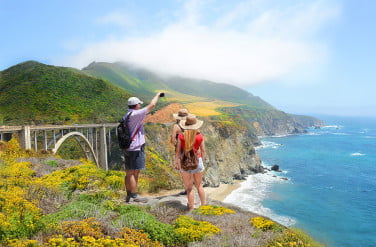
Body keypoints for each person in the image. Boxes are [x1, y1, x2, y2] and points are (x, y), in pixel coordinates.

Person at [124, 92, 163, 203]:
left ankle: (129, 194)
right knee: (134, 172)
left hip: (127, 147)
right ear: (136, 106)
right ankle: (134, 196)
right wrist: (157, 95)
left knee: (128, 172)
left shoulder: (127, 115)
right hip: (135, 148)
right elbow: (152, 105)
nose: (140, 106)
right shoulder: (136, 114)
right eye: (139, 105)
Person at [174, 114, 206, 211]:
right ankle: (204, 206)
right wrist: (201, 161)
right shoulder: (199, 136)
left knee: (189, 188)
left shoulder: (181, 136)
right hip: (198, 161)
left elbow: (178, 151)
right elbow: (203, 151)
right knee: (199, 185)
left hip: (184, 162)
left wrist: (176, 162)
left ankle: (191, 207)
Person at [171, 108, 190, 196]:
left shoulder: (177, 126)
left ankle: (187, 190)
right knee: (190, 169)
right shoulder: (190, 125)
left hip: (181, 150)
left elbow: (172, 140)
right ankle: (190, 189)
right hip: (191, 150)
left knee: (183, 171)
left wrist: (176, 145)